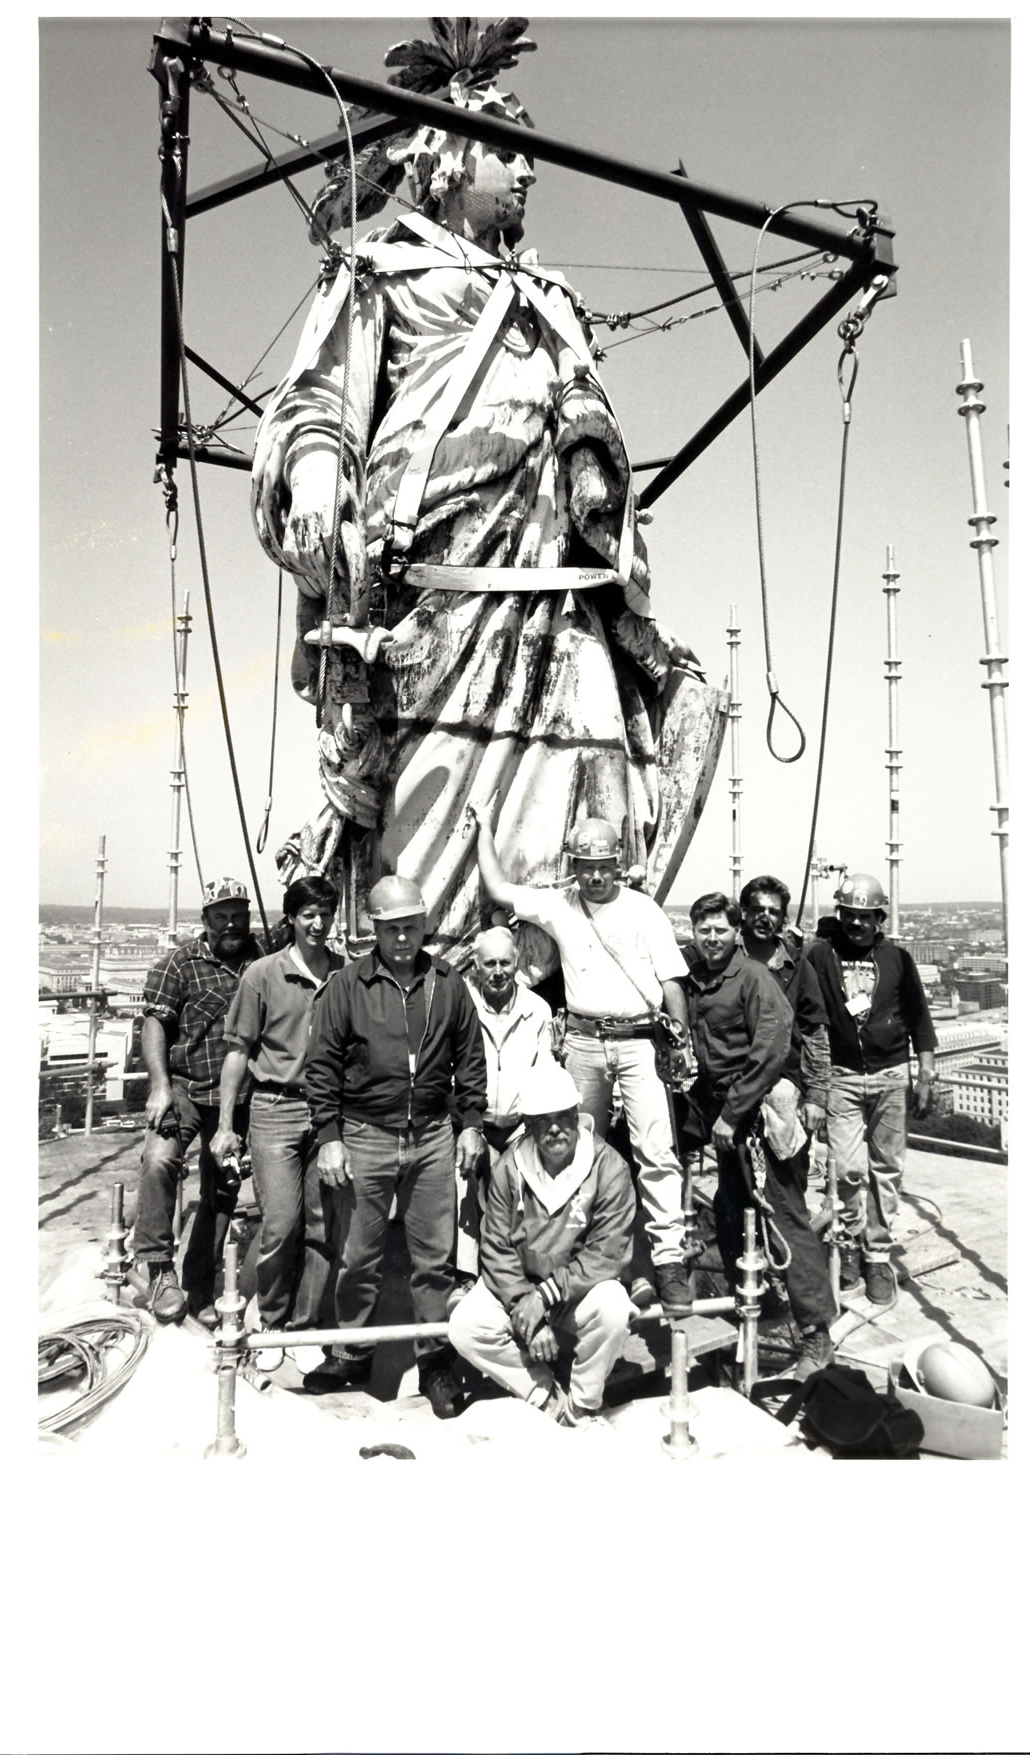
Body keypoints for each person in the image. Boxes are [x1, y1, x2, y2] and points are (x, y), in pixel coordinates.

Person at [249, 32, 717, 953]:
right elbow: (320, 395)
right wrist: (313, 465)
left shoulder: (553, 302)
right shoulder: (380, 275)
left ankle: (566, 977)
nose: (528, 170)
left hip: (558, 593)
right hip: (439, 595)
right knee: (429, 809)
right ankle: (427, 992)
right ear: (448, 157)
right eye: (507, 149)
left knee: (595, 773)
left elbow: (594, 430)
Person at [470, 801, 695, 1317]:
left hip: (639, 1042)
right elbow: (500, 890)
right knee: (574, 1150)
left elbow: (671, 981)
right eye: (585, 866)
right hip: (586, 1041)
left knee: (656, 1152)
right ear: (573, 865)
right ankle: (580, 1254)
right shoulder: (559, 906)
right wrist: (484, 829)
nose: (594, 876)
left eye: (603, 866)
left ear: (618, 864)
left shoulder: (644, 911)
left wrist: (678, 1037)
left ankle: (667, 1260)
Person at [302, 873, 487, 1418]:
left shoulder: (449, 984)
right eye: (391, 929)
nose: (403, 939)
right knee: (358, 1255)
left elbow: (469, 1061)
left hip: (432, 1135)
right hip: (365, 1134)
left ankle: (435, 1363)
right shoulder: (347, 987)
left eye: (410, 927)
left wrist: (471, 1123)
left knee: (436, 1259)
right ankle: (353, 1354)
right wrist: (330, 1138)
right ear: (375, 931)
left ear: (423, 925)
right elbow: (321, 1067)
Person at [680, 892, 836, 1381]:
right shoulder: (696, 980)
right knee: (729, 1208)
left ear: (735, 932)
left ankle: (816, 1332)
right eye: (703, 930)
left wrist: (732, 1113)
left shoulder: (754, 978)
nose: (712, 938)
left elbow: (772, 1047)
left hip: (757, 1112)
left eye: (721, 930)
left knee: (785, 1214)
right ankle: (750, 1294)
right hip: (722, 1112)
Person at [448, 1060, 636, 1427]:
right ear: (529, 1125)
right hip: (522, 1287)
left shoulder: (608, 1167)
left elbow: (607, 1251)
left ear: (577, 1114)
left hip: (575, 1290)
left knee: (614, 1308)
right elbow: (497, 1248)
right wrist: (527, 1314)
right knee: (464, 1325)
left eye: (563, 1116)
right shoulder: (509, 1169)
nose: (555, 1129)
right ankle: (546, 1396)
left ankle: (583, 1402)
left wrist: (545, 1297)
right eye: (542, 1120)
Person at [210, 876, 343, 1369]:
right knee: (280, 1222)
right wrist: (227, 1124)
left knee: (322, 1224)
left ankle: (304, 1329)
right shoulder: (262, 975)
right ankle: (269, 1319)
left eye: (325, 913)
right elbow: (238, 1052)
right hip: (274, 1109)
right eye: (308, 914)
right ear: (291, 918)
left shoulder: (344, 974)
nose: (318, 923)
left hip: (329, 1114)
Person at [132, 877, 263, 1325]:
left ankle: (200, 1286)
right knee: (159, 1160)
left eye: (238, 915)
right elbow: (154, 1024)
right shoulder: (180, 964)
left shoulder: (261, 960)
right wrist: (160, 1086)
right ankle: (158, 1268)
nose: (231, 924)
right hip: (185, 1087)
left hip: (237, 1096)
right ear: (205, 919)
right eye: (221, 916)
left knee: (221, 1190)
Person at [802, 873, 937, 1304]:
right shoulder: (821, 956)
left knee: (887, 1168)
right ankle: (849, 1244)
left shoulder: (897, 958)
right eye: (850, 915)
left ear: (879, 917)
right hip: (842, 1075)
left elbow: (918, 1016)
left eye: (866, 916)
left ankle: (877, 1255)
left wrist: (926, 1073)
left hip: (891, 1074)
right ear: (839, 914)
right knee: (847, 1169)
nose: (857, 924)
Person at [454, 925, 554, 1297]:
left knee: (522, 1191)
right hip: (471, 1121)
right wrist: (471, 1124)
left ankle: (518, 1274)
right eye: (489, 963)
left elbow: (544, 1073)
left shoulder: (537, 1010)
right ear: (476, 967)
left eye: (505, 963)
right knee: (465, 1183)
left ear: (517, 964)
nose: (498, 972)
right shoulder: (461, 1006)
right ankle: (466, 1276)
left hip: (518, 1125)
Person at [738, 874, 831, 1190]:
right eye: (757, 909)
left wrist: (817, 1096)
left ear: (782, 918)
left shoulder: (798, 968)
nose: (765, 917)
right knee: (738, 1189)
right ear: (744, 913)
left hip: (785, 1089)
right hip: (735, 1091)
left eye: (773, 911)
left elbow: (815, 1034)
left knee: (789, 1186)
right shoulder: (726, 961)